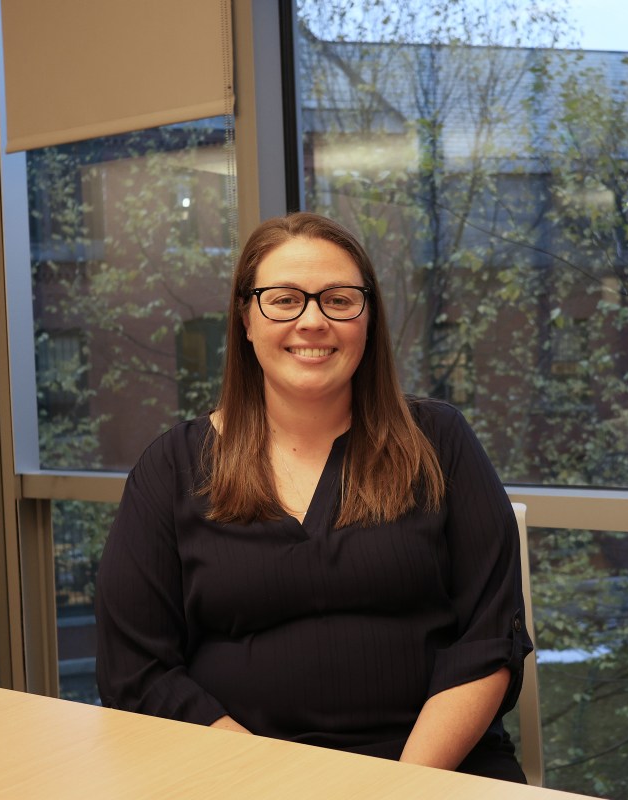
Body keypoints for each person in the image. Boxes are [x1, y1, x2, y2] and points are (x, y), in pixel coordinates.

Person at [95, 212, 533, 782]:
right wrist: (268, 780)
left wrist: (400, 788)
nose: (313, 321)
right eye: (283, 299)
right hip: (234, 778)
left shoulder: (440, 443)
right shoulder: (170, 467)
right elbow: (138, 667)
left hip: (434, 776)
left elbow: (488, 638)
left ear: (367, 319)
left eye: (339, 299)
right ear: (245, 318)